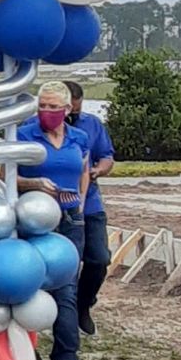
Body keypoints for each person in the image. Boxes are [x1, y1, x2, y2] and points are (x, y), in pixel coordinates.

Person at [15, 77, 88, 360]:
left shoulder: (79, 137)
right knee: (28, 286)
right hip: (34, 217)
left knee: (67, 289)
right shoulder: (23, 135)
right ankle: (26, 351)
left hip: (70, 217)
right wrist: (35, 184)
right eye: (42, 106)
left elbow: (84, 169)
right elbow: (6, 177)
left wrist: (81, 202)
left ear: (67, 108)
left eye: (53, 107)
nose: (47, 111)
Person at [65, 79, 115, 338]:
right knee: (67, 264)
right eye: (68, 111)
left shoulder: (92, 124)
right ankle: (65, 314)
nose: (72, 116)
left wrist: (98, 170)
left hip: (90, 202)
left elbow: (107, 156)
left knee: (99, 258)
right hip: (58, 205)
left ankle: (84, 304)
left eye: (76, 110)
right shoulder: (39, 128)